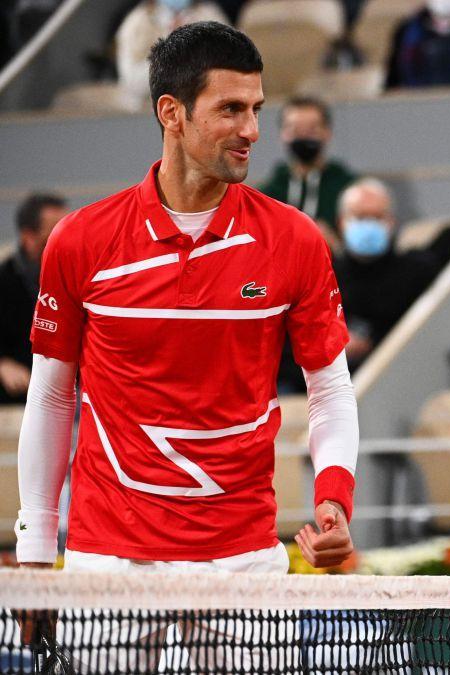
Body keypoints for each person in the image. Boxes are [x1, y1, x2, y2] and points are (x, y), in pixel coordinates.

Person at [15, 21, 358, 669]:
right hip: (108, 558)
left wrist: (335, 496)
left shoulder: (295, 240)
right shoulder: (81, 240)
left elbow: (331, 387)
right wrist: (35, 546)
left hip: (244, 557)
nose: (253, 130)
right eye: (230, 109)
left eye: (257, 109)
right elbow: (54, 392)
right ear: (170, 113)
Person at [333, 178, 450, 372]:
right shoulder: (320, 277)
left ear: (391, 222)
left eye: (378, 217)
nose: (369, 225)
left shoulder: (417, 272)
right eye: (361, 217)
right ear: (341, 222)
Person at [258, 96, 356, 249]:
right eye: (295, 130)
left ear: (327, 133)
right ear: (282, 134)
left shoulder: (350, 190)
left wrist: (336, 245)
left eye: (312, 130)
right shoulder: (266, 195)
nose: (303, 137)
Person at [0, 192, 66, 404]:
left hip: (69, 392)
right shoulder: (5, 280)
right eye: (55, 233)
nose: (67, 240)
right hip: (23, 396)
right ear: (28, 237)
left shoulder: (77, 278)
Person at [115, 0, 228, 106]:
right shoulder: (138, 21)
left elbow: (230, 69)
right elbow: (132, 83)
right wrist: (171, 47)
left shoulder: (209, 15)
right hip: (148, 112)